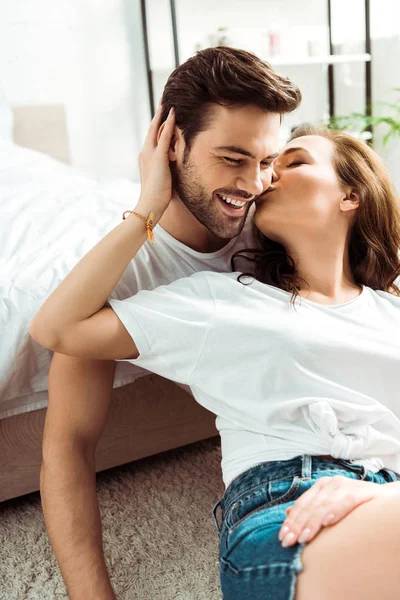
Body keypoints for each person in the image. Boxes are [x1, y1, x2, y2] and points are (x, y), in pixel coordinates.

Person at [30, 107, 400, 600]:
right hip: (288, 507)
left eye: (291, 163)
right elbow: (59, 327)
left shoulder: (389, 311)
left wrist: (378, 494)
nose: (265, 179)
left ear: (351, 195)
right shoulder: (221, 300)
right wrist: (148, 206)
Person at [36, 46, 301, 600]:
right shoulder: (122, 276)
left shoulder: (280, 217)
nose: (253, 184)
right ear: (171, 142)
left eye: (267, 160)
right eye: (232, 159)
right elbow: (69, 445)